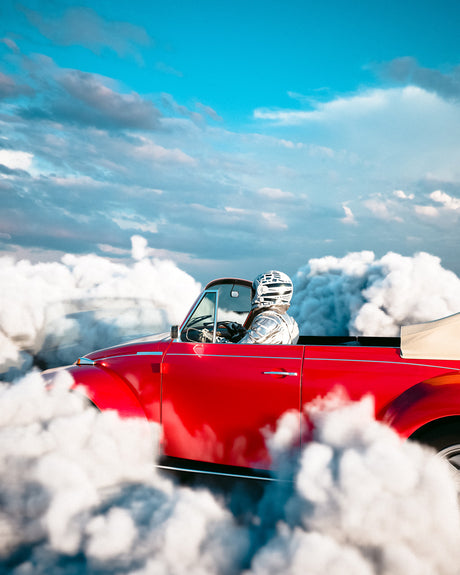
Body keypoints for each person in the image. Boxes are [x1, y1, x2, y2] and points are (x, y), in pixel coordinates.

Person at [207, 270, 299, 344]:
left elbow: (240, 350)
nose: (252, 296)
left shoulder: (268, 320)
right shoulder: (289, 321)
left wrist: (217, 342)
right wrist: (241, 334)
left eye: (254, 292)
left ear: (263, 291)